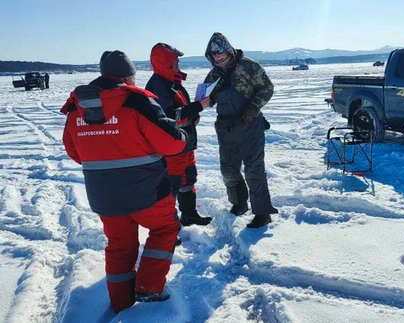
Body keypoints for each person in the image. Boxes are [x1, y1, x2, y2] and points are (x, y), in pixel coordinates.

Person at [61, 50, 204, 313]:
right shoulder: (136, 101)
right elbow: (170, 142)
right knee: (165, 229)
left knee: (119, 246)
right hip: (146, 191)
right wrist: (184, 136)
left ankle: (120, 302)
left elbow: (74, 152)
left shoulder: (76, 106)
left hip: (104, 195)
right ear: (128, 76)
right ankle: (149, 287)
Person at [203, 32, 277, 228]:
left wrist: (251, 109)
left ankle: (262, 213)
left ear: (228, 49)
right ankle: (239, 203)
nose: (217, 57)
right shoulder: (213, 75)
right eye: (213, 54)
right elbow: (208, 98)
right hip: (226, 129)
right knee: (228, 170)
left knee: (254, 170)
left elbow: (267, 88)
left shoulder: (249, 66)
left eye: (220, 52)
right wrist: (206, 101)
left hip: (250, 126)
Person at [146, 43, 212, 226]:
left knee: (189, 177)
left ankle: (189, 215)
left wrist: (193, 116)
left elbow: (181, 111)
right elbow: (168, 118)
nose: (179, 64)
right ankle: (166, 227)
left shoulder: (171, 83)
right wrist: (198, 106)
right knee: (171, 186)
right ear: (166, 63)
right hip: (172, 147)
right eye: (176, 61)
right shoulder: (159, 86)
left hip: (184, 143)